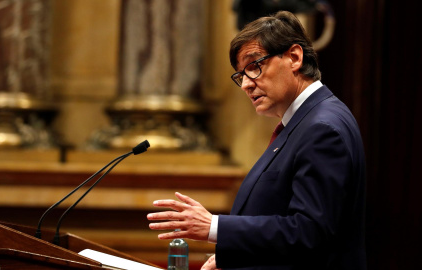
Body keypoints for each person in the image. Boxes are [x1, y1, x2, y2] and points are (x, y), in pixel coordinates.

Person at [147, 10, 366, 270]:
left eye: (254, 67)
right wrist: (233, 257)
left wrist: (213, 226)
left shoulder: (321, 128)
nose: (246, 85)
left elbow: (309, 233)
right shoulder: (304, 121)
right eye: (241, 75)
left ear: (294, 57)